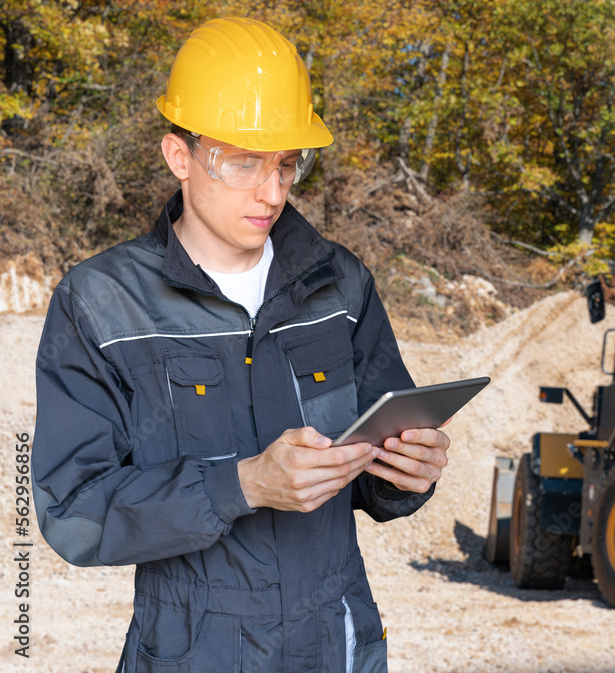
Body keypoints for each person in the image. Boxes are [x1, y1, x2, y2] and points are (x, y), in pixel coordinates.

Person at [31, 16, 450, 673]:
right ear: (180, 156)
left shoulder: (340, 285)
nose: (272, 190)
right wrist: (242, 484)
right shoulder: (101, 304)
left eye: (288, 164)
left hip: (335, 642)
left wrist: (409, 475)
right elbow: (74, 512)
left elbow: (376, 473)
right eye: (245, 162)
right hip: (194, 650)